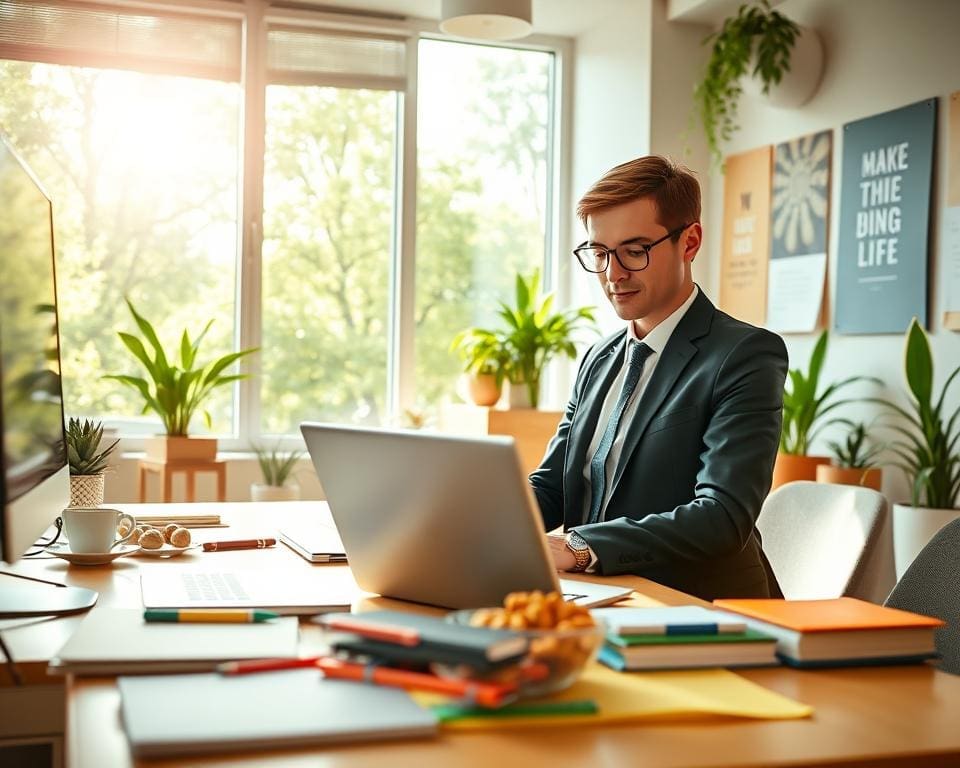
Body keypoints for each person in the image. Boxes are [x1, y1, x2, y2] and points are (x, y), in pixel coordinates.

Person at [529, 155, 786, 601]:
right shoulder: (599, 358)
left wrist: (582, 546)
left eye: (634, 251)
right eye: (599, 253)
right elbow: (553, 488)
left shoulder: (744, 355)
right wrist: (466, 524)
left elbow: (721, 516)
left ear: (689, 242)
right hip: (605, 598)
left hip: (703, 608)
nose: (613, 274)